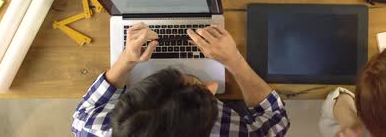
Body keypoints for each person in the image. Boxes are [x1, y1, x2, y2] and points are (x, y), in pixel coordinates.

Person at [71, 23, 290, 136]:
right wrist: (234, 60)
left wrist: (126, 61)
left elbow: (81, 115)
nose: (212, 86)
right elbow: (275, 118)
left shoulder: (93, 129)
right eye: (203, 90)